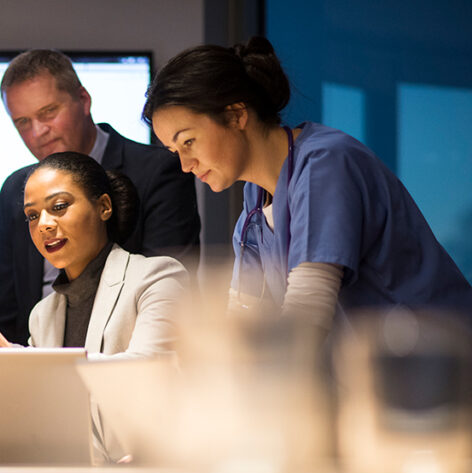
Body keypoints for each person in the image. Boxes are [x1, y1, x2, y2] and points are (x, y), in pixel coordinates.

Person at [144, 37, 472, 331]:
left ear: (235, 115)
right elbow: (243, 315)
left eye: (188, 142)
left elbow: (306, 309)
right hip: (379, 375)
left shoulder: (325, 163)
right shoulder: (255, 202)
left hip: (440, 367)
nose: (185, 166)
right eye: (175, 152)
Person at [0, 152, 186, 461]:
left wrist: (15, 358)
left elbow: (144, 369)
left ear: (104, 207)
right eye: (32, 215)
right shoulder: (43, 313)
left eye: (59, 207)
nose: (44, 225)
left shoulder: (157, 276)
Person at [0, 49, 200, 345]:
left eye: (48, 112)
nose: (38, 132)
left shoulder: (156, 171)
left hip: (130, 350)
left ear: (83, 100)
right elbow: (4, 306)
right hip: (36, 359)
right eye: (22, 122)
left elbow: (167, 289)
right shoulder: (15, 189)